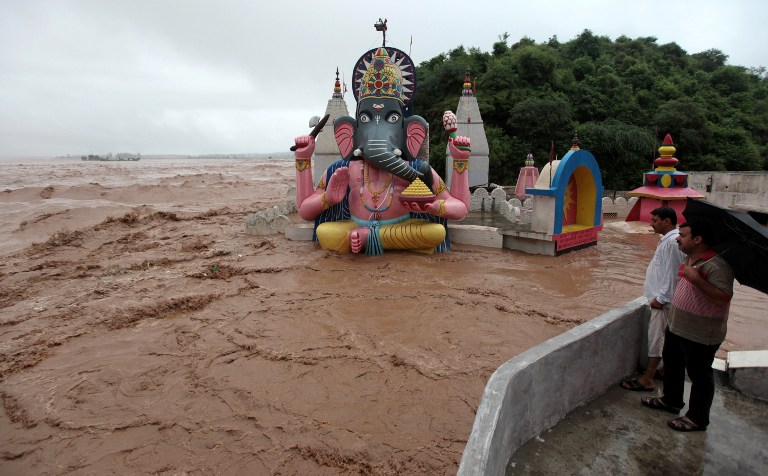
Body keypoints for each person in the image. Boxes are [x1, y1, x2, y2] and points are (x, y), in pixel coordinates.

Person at [641, 220, 735, 432]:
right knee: (673, 366)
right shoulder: (690, 258)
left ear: (698, 239)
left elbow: (723, 298)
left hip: (700, 333)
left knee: (700, 375)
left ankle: (697, 418)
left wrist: (696, 279)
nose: (677, 238)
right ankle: (671, 400)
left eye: (683, 235)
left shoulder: (717, 265)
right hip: (677, 326)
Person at [622, 207, 684, 391]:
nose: (651, 223)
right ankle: (661, 371)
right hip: (660, 299)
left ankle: (647, 378)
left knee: (656, 339)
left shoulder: (672, 243)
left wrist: (661, 298)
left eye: (655, 220)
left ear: (667, 221)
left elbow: (672, 274)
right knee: (662, 339)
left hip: (662, 302)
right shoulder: (668, 241)